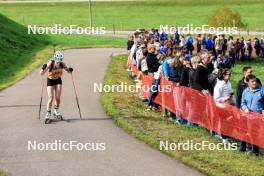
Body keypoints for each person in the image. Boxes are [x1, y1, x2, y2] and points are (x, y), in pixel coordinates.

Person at [40, 51, 73, 122]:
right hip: (50, 80)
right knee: (51, 98)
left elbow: (68, 71)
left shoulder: (62, 64)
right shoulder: (50, 63)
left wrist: (70, 70)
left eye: (60, 61)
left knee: (58, 98)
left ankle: (56, 111)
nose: (59, 63)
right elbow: (41, 73)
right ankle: (48, 113)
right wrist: (43, 68)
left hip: (58, 80)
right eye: (57, 61)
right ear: (55, 59)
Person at [240, 74, 264, 156]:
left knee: (256, 133)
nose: (255, 83)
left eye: (255, 81)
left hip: (259, 116)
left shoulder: (262, 90)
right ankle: (251, 150)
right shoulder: (245, 91)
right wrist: (245, 108)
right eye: (252, 81)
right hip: (248, 116)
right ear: (247, 82)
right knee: (250, 133)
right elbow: (242, 103)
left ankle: (255, 151)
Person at [213, 68, 234, 144]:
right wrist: (226, 98)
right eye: (229, 74)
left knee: (230, 122)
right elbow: (216, 98)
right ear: (223, 75)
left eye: (230, 74)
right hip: (221, 107)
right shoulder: (219, 85)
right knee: (224, 123)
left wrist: (231, 94)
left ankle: (228, 137)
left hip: (229, 106)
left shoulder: (228, 82)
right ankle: (224, 139)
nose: (230, 75)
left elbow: (230, 91)